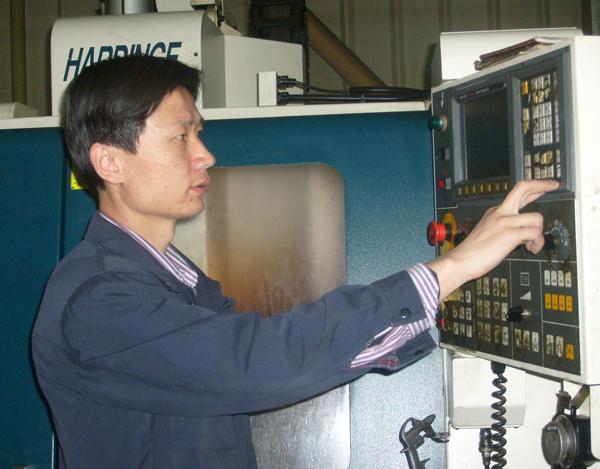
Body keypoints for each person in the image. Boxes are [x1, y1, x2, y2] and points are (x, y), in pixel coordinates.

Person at [31, 55, 558, 469]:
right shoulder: (98, 301)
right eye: (180, 136)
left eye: (199, 133)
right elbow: (263, 361)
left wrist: (443, 298)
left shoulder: (175, 286)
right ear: (110, 162)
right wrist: (456, 266)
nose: (205, 154)